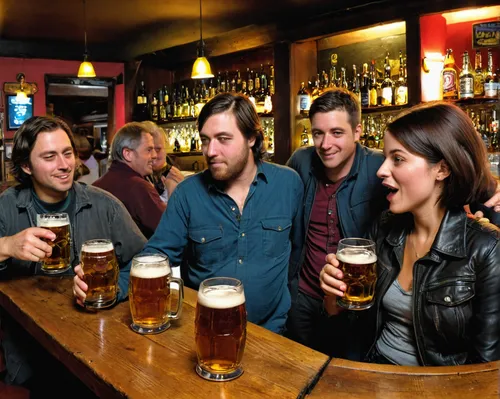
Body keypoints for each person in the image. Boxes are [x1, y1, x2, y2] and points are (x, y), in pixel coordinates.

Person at [286, 89, 500, 357]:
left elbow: (487, 368)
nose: (381, 170)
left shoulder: (486, 248)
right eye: (318, 133)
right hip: (363, 362)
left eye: (397, 159)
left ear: (442, 169)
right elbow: (355, 331)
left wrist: (492, 191)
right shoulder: (385, 228)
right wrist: (333, 298)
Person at [74, 93, 304, 333]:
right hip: (207, 332)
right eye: (205, 140)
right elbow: (157, 255)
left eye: (223, 139)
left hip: (275, 334)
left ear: (252, 139)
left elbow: (298, 256)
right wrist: (111, 287)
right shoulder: (188, 193)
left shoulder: (288, 184)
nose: (210, 151)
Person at [0, 116, 146, 391]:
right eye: (50, 156)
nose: (64, 164)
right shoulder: (8, 205)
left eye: (68, 153)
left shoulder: (104, 205)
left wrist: (114, 288)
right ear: (25, 166)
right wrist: (6, 246)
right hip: (33, 353)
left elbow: (145, 260)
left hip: (101, 346)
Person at [285, 89, 387, 356]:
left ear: (357, 131)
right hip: (304, 297)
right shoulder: (301, 160)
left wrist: (488, 190)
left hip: (354, 302)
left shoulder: (380, 165)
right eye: (318, 133)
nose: (325, 144)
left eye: (337, 133)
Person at [93, 122, 166, 238]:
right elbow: (171, 229)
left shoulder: (95, 187)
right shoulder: (139, 187)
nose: (154, 155)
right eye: (149, 150)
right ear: (128, 154)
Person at [142, 121, 184, 204]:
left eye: (158, 149)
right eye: (149, 150)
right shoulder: (138, 176)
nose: (154, 155)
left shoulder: (172, 174)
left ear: (166, 148)